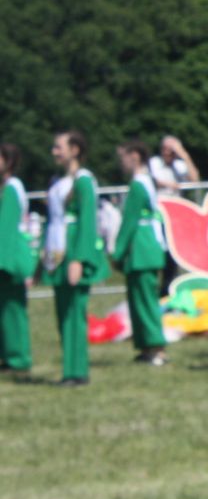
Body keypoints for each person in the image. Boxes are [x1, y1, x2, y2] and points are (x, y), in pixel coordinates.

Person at [46, 130, 106, 387]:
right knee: (63, 313)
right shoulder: (59, 181)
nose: (54, 152)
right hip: (59, 251)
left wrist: (78, 259)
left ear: (75, 150)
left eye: (59, 147)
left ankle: (77, 371)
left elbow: (87, 221)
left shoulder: (82, 181)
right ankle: (69, 368)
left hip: (72, 251)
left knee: (74, 314)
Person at [112, 140, 170, 366]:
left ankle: (156, 346)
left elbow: (130, 221)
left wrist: (118, 252)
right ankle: (147, 345)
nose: (121, 163)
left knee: (145, 300)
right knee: (139, 299)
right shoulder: (146, 182)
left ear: (135, 156)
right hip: (145, 248)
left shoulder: (139, 185)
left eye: (123, 157)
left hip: (143, 248)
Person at [0, 143, 30, 373]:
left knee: (13, 307)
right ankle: (8, 354)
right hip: (5, 253)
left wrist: (3, 262)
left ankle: (18, 357)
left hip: (10, 255)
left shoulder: (12, 187)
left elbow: (7, 228)